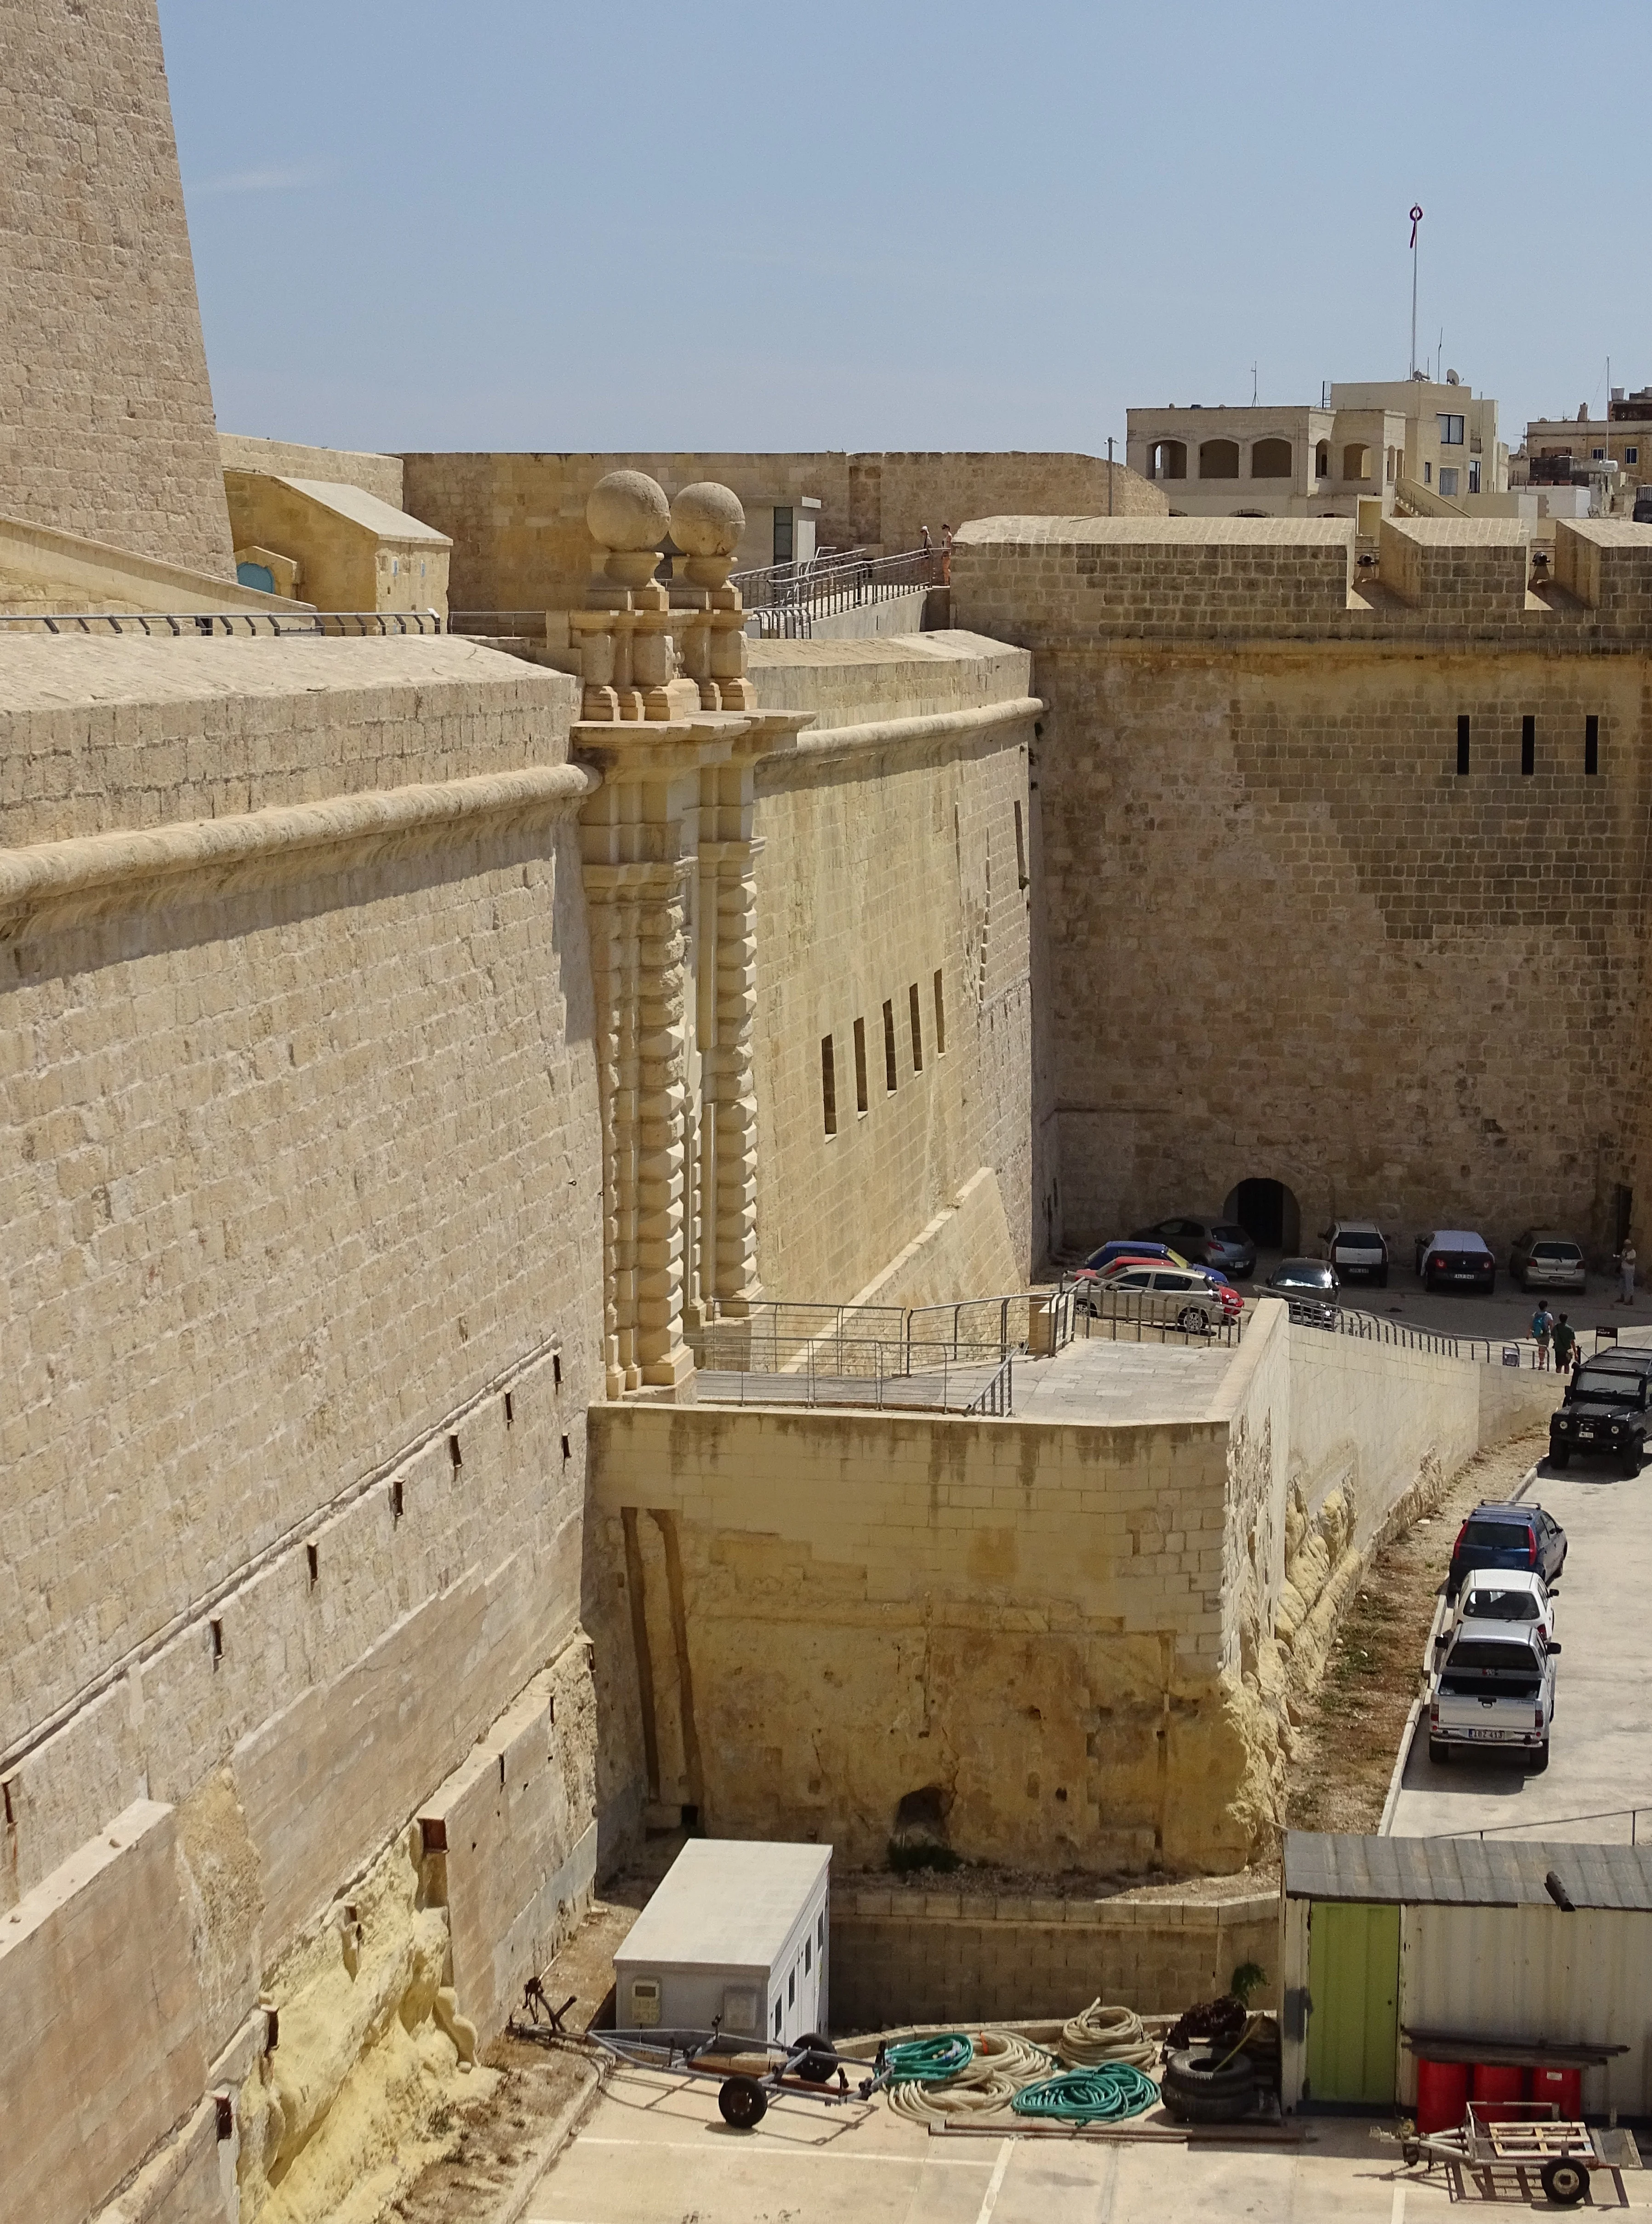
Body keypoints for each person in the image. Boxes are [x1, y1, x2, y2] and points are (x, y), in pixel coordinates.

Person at [1552, 1312, 1578, 1378]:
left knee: (1559, 1366)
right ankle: (1566, 1378)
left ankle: (1558, 1379)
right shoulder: (1570, 1329)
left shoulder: (1556, 1327)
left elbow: (1553, 1337)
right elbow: (1573, 1342)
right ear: (1567, 1319)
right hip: (1567, 1350)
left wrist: (1556, 1342)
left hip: (1558, 1350)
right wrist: (1576, 1353)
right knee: (1567, 1365)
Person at [1532, 1300, 1554, 1367]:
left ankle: (1541, 1361)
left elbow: (1532, 1324)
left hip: (1537, 1333)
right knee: (1543, 1349)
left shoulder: (1536, 1314)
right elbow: (1551, 1325)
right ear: (1546, 1307)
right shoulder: (1549, 1315)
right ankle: (1541, 1363)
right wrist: (1553, 1334)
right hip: (1545, 1334)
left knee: (1541, 1347)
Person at [1618, 1239, 1638, 1306]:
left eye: (1627, 1245)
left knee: (1629, 1284)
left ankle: (1631, 1300)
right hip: (1624, 1269)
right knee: (1622, 1284)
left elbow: (1632, 1262)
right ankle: (1622, 1297)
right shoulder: (1624, 1251)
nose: (1626, 1246)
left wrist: (1625, 1259)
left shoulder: (1633, 1252)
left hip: (1630, 1270)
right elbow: (1622, 1259)